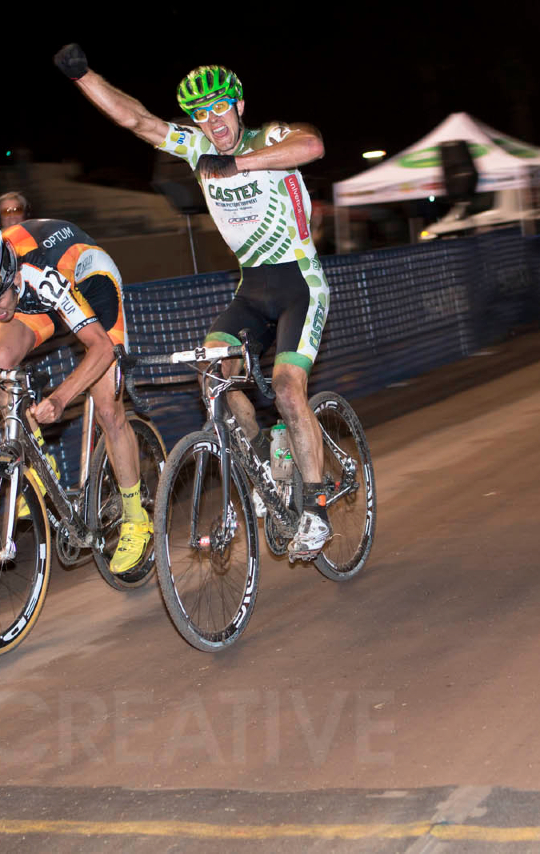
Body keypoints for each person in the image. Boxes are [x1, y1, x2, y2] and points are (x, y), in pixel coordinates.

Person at [53, 44, 333, 561]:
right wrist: (83, 75)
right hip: (252, 288)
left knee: (291, 390)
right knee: (213, 376)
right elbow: (137, 120)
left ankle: (315, 511)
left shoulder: (264, 136)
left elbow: (311, 145)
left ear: (239, 106)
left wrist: (239, 162)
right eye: (201, 114)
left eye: (220, 108)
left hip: (300, 283)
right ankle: (265, 455)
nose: (212, 121)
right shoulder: (195, 147)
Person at [0, 220, 152, 574]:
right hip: (36, 302)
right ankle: (40, 465)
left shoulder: (39, 272)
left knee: (108, 411)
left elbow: (99, 349)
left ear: (11, 277)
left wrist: (60, 398)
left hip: (90, 283)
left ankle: (136, 518)